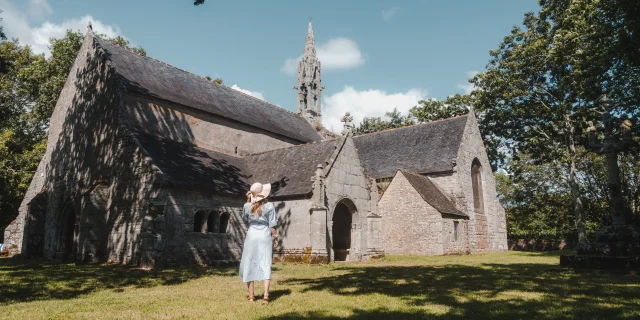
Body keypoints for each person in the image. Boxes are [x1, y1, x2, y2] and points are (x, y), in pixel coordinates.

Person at [239, 182, 278, 304]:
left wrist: (248, 201)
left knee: (249, 262)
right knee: (266, 262)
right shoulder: (269, 206)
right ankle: (266, 295)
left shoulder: (247, 206)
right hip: (265, 235)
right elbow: (272, 224)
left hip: (251, 235)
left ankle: (251, 297)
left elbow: (245, 219)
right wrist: (275, 237)